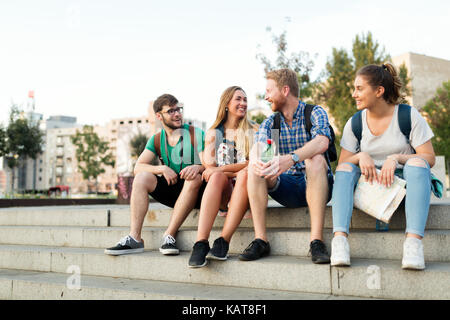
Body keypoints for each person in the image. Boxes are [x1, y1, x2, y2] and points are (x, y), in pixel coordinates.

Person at [330, 63, 436, 270]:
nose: (354, 94)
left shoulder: (408, 115)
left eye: (359, 89)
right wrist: (361, 156)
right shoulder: (355, 123)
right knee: (344, 170)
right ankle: (340, 241)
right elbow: (342, 164)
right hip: (370, 188)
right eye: (355, 88)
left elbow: (429, 158)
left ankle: (413, 244)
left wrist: (396, 157)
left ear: (379, 91)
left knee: (417, 163)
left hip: (405, 188)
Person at [240, 68, 334, 264]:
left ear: (284, 90)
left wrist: (292, 158)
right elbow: (261, 146)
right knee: (255, 167)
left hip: (318, 183)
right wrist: (260, 159)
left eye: (268, 91)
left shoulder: (314, 113)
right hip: (287, 187)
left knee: (315, 160)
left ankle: (316, 241)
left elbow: (322, 142)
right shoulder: (271, 123)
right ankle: (261, 240)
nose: (266, 97)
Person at [105, 94, 206, 256]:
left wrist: (198, 167)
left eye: (178, 109)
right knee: (141, 178)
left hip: (197, 192)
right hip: (173, 189)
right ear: (159, 116)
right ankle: (135, 238)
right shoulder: (157, 139)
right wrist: (162, 169)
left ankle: (169, 235)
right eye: (171, 111)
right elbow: (138, 167)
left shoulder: (196, 133)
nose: (177, 114)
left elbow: (211, 164)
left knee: (194, 177)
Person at [188, 86, 258, 268]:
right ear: (226, 103)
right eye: (238, 99)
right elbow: (211, 172)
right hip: (224, 192)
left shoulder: (254, 130)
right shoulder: (213, 134)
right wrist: (229, 170)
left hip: (250, 190)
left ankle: (222, 242)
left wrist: (224, 169)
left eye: (245, 99)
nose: (243, 103)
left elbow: (256, 164)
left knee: (244, 175)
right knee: (219, 178)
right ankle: (201, 242)